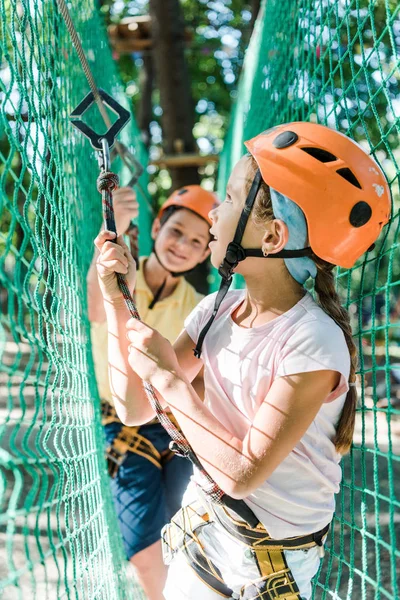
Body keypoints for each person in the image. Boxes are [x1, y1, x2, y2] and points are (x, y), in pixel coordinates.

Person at [94, 122, 390, 599]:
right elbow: (133, 406)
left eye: (230, 200)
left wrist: (169, 381)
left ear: (272, 236)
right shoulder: (216, 310)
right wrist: (115, 297)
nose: (214, 212)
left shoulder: (314, 339)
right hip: (204, 545)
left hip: (265, 573)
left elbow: (241, 473)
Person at [87, 184, 218, 600]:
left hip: (174, 427)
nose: (182, 246)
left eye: (197, 242)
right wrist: (113, 234)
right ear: (157, 227)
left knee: (182, 529)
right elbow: (94, 306)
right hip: (122, 422)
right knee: (144, 549)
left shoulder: (199, 305)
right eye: (176, 231)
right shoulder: (120, 269)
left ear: (204, 256)